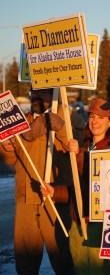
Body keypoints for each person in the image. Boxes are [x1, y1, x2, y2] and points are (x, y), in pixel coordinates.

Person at [0, 87, 85, 275]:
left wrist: (60, 127)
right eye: (33, 94)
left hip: (55, 199)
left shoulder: (70, 118)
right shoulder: (21, 122)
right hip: (26, 199)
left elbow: (77, 145)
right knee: (25, 261)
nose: (36, 97)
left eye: (42, 93)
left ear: (53, 94)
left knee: (63, 258)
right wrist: (6, 147)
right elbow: (12, 160)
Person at [41, 98, 110, 275]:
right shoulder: (88, 146)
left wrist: (78, 154)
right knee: (81, 270)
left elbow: (99, 181)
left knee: (99, 270)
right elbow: (81, 188)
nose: (95, 121)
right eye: (92, 116)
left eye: (101, 117)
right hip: (78, 220)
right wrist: (55, 192)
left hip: (101, 223)